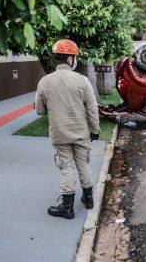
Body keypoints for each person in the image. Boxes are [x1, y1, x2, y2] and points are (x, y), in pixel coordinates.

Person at [35, 39, 100, 219]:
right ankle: (88, 200)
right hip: (81, 133)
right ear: (70, 59)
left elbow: (40, 110)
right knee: (83, 164)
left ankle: (67, 207)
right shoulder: (82, 80)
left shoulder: (45, 81)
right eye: (75, 57)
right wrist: (95, 129)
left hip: (59, 134)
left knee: (66, 168)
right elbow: (92, 108)